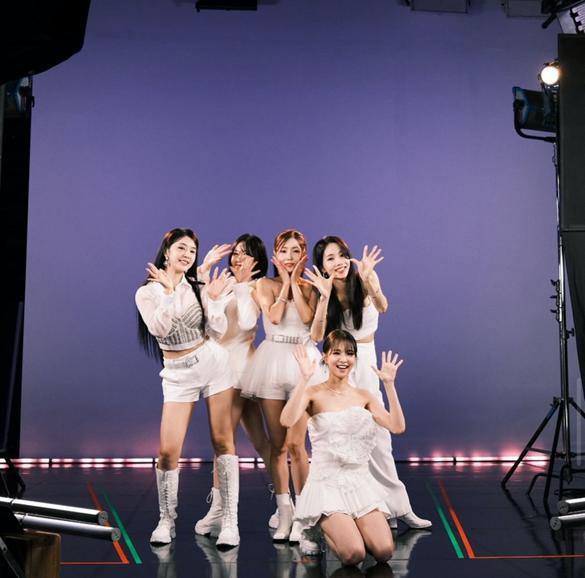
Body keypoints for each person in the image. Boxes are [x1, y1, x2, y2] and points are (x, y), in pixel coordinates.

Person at [306, 236, 431, 530]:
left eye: (341, 255)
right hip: (340, 367)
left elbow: (383, 306)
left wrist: (369, 280)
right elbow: (316, 336)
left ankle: (399, 508)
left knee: (380, 439)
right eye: (330, 258)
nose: (338, 262)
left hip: (368, 364)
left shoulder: (364, 277)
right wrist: (323, 297)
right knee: (346, 441)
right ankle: (355, 510)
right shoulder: (321, 291)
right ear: (322, 266)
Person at [135, 228, 240, 548]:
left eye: (192, 251)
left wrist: (215, 301)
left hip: (213, 364)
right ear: (166, 251)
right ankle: (166, 520)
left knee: (223, 441)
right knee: (168, 451)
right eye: (181, 248)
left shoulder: (197, 285)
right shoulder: (147, 293)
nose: (187, 255)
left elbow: (217, 330)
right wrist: (169, 293)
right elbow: (159, 328)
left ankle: (230, 521)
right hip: (178, 375)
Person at [281, 330, 405, 565]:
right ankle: (316, 529)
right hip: (327, 484)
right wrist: (304, 379)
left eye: (349, 353)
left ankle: (350, 527)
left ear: (355, 359)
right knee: (354, 554)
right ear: (325, 357)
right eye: (336, 353)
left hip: (359, 482)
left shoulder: (364, 395)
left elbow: (397, 427)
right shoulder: (313, 393)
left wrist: (389, 385)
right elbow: (287, 420)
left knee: (385, 551)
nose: (343, 359)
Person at [241, 229, 325, 542]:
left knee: (297, 445)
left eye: (295, 251)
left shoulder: (312, 287)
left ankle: (303, 514)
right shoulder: (264, 284)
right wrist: (285, 283)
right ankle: (284, 511)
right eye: (284, 251)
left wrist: (295, 283)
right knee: (277, 446)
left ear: (303, 255)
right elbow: (274, 317)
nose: (290, 257)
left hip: (303, 362)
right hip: (273, 361)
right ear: (276, 255)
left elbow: (306, 319)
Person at [194, 233, 276, 536]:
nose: (238, 258)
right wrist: (204, 269)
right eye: (236, 252)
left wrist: (241, 286)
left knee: (223, 440)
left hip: (239, 370)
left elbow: (246, 323)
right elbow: (204, 316)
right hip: (219, 368)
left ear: (258, 260)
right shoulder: (224, 281)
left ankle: (223, 512)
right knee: (259, 440)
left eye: (246, 253)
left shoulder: (256, 287)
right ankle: (287, 502)